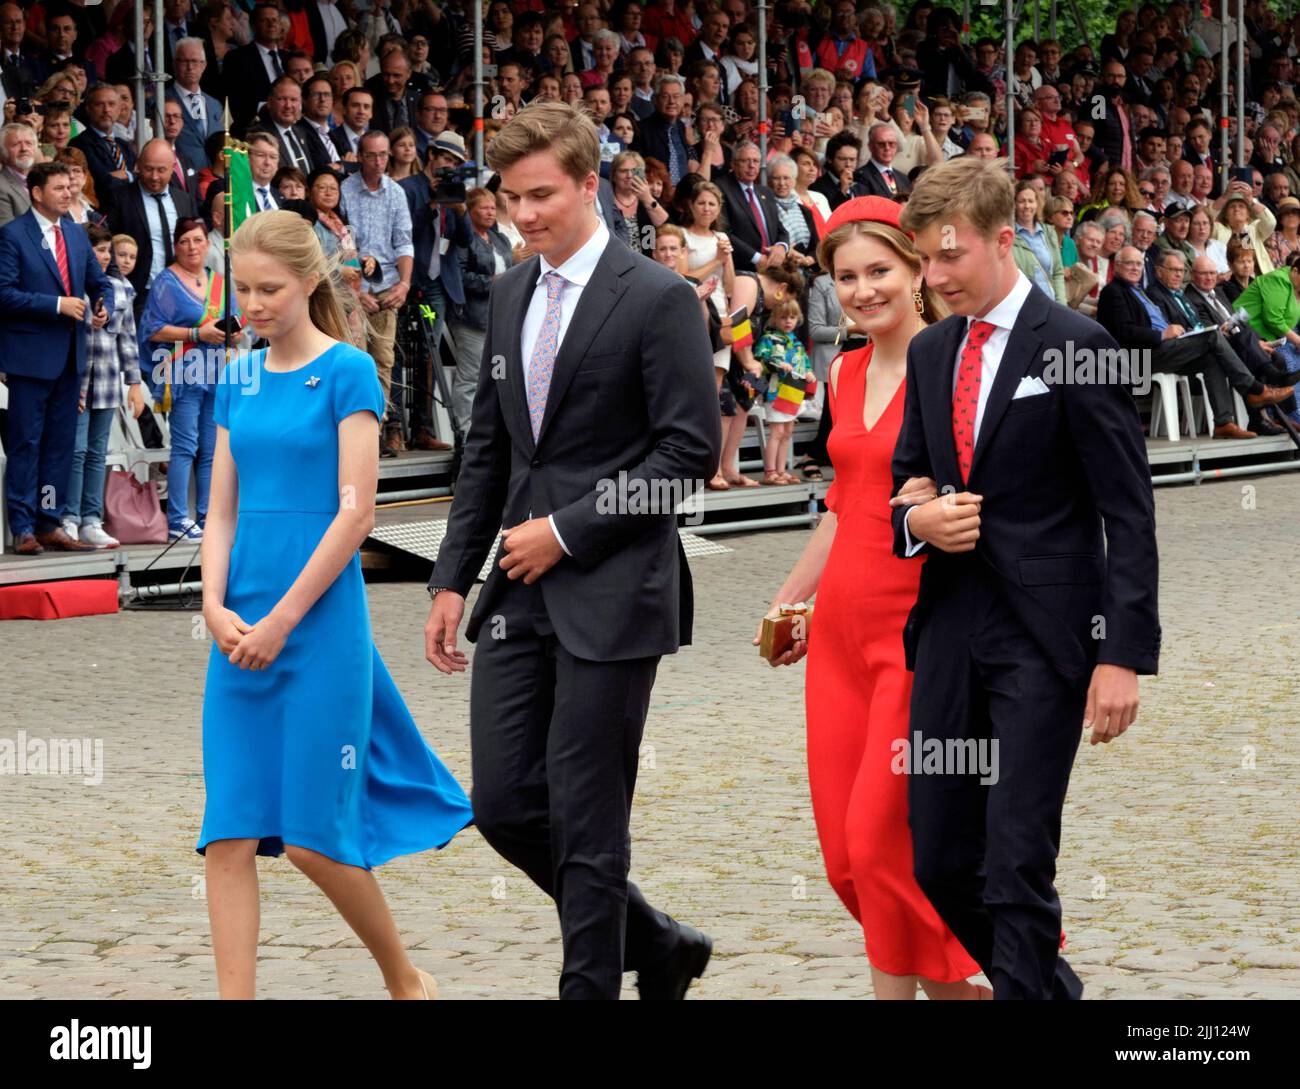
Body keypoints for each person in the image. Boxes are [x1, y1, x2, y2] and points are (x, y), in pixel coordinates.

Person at [423, 101, 720, 1000]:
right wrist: (448, 576)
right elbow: (490, 447)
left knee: (589, 818)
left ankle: (589, 985)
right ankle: (658, 940)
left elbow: (686, 457)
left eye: (542, 195)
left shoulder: (658, 297)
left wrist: (567, 530)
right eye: (511, 197)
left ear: (591, 185)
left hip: (618, 590)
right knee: (507, 803)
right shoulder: (512, 289)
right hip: (514, 592)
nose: (524, 214)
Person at [894, 157, 1162, 999]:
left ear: (1004, 241)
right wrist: (917, 521)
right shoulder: (933, 349)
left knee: (1015, 861)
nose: (933, 279)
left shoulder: (1084, 348)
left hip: (1047, 641)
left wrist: (1121, 655)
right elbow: (906, 480)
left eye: (951, 257)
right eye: (925, 261)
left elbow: (1131, 514)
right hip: (947, 631)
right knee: (939, 861)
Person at [199, 209, 472, 999]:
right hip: (236, 626)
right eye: (242, 288)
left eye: (269, 288)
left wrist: (282, 620)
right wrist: (214, 606)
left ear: (310, 280)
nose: (251, 303)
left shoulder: (350, 370)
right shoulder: (237, 376)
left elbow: (356, 512)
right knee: (229, 833)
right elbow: (219, 511)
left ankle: (403, 979)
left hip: (317, 628)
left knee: (318, 841)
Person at [757, 194, 989, 998]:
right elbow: (844, 499)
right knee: (847, 857)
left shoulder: (958, 367)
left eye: (878, 271)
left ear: (919, 269)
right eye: (846, 276)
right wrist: (791, 600)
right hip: (839, 638)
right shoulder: (843, 368)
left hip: (919, 635)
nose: (862, 290)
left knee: (883, 844)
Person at [0, 161, 112, 555]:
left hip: (70, 358)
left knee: (59, 445)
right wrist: (57, 305)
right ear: (36, 192)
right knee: (27, 443)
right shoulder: (12, 236)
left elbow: (100, 283)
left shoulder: (77, 236)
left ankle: (50, 521)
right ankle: (24, 527)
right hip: (30, 358)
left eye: (71, 187)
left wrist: (103, 307)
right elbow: (4, 293)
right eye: (61, 187)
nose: (69, 193)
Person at [1097, 245, 1292, 439]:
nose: (1135, 268)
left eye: (1138, 264)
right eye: (1129, 263)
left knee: (1211, 359)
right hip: (1143, 356)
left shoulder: (1139, 291)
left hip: (1167, 348)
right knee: (1213, 336)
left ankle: (1223, 423)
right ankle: (1255, 390)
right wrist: (1162, 334)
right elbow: (1123, 332)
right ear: (1117, 266)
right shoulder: (1113, 291)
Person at [137, 216, 244, 540]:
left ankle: (207, 515)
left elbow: (238, 322)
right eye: (184, 241)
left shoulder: (220, 280)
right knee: (185, 446)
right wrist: (197, 332)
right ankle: (178, 519)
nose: (191, 247)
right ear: (175, 247)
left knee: (212, 449)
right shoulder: (166, 282)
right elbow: (153, 328)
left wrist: (232, 335)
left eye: (197, 240)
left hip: (217, 370)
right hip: (183, 371)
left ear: (207, 243)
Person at [64, 223, 146, 549]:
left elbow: (127, 341)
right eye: (99, 249)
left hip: (109, 380)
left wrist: (135, 384)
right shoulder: (69, 284)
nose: (105, 256)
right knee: (76, 450)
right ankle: (67, 517)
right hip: (76, 382)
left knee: (98, 453)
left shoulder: (119, 287)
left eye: (107, 250)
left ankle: (91, 520)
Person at [340, 129, 413, 454]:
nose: (379, 161)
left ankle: (375, 431)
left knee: (383, 362)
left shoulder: (396, 192)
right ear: (360, 156)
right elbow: (343, 244)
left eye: (384, 154)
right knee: (355, 362)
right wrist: (356, 293)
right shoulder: (345, 190)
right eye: (372, 155)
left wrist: (405, 284)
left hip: (387, 289)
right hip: (352, 292)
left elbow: (404, 241)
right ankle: (352, 432)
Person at [448, 186, 512, 439]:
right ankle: (465, 431)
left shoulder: (500, 239)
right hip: (471, 318)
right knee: (471, 376)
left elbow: (512, 269)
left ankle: (494, 429)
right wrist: (492, 282)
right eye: (484, 208)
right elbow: (459, 276)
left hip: (500, 318)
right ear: (470, 211)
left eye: (493, 207)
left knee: (500, 375)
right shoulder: (465, 240)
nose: (490, 212)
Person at [106, 139, 199, 310]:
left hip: (178, 291)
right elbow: (107, 242)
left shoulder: (184, 200)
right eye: (148, 169)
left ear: (172, 168)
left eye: (161, 170)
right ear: (138, 165)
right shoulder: (120, 198)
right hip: (140, 294)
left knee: (177, 337)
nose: (154, 176)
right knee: (145, 337)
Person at [1011, 180, 1066, 303]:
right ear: (1014, 204)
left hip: (1050, 304)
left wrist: (1061, 304)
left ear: (1037, 204)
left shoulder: (1049, 232)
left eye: (1031, 201)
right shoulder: (1010, 236)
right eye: (1021, 201)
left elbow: (1057, 272)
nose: (1027, 206)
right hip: (1024, 305)